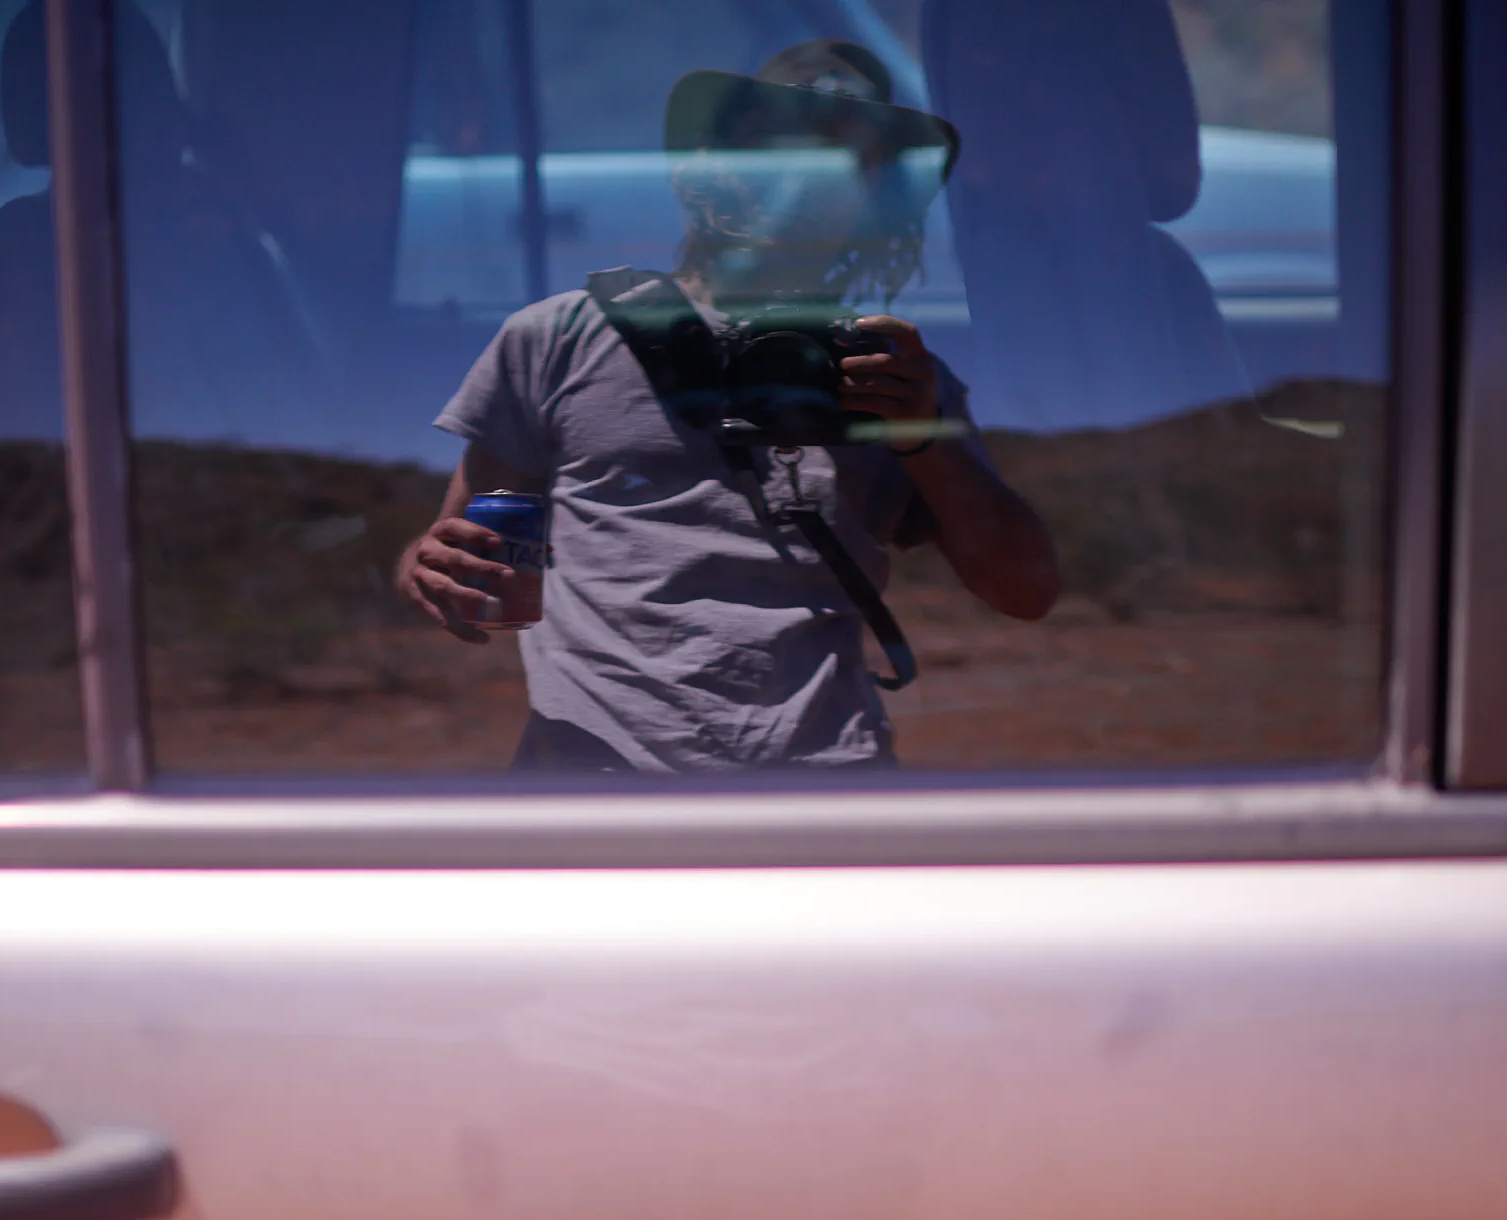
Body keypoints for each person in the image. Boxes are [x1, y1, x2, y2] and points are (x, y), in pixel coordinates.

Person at [396, 40, 1059, 772]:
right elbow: (453, 542)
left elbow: (1025, 589)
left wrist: (924, 435)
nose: (806, 176)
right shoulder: (559, 337)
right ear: (714, 166)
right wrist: (432, 569)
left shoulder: (891, 373)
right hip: (599, 776)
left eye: (849, 156)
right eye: (778, 143)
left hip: (823, 784)